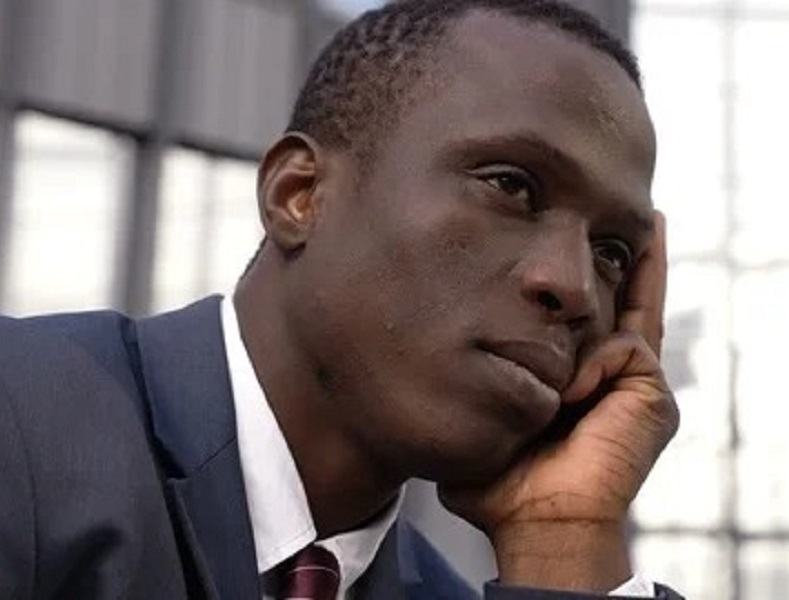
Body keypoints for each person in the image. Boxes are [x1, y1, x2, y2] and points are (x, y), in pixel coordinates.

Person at [0, 1, 683, 598]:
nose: (573, 285)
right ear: (298, 195)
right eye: (510, 185)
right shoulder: (22, 425)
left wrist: (563, 536)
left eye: (611, 253)